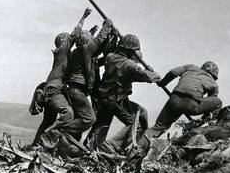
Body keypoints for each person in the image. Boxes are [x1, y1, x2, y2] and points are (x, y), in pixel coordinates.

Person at [85, 34, 161, 149]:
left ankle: (90, 147)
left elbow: (126, 69)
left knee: (103, 124)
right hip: (116, 99)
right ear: (130, 51)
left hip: (105, 97)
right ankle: (112, 147)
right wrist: (152, 72)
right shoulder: (129, 65)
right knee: (136, 125)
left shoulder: (110, 57)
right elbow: (150, 77)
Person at [29, 8, 92, 145]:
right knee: (68, 113)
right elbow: (75, 34)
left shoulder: (63, 55)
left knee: (48, 121)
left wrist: (90, 34)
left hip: (51, 89)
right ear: (64, 42)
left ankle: (35, 145)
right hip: (54, 90)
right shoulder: (63, 50)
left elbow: (80, 44)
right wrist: (83, 17)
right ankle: (48, 137)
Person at [45, 17, 114, 141]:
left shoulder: (80, 53)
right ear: (87, 41)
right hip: (76, 91)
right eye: (90, 39)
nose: (92, 40)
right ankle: (56, 131)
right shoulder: (84, 50)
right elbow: (98, 42)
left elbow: (101, 52)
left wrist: (112, 38)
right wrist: (107, 25)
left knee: (81, 118)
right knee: (89, 118)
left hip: (76, 90)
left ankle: (66, 142)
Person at [147, 61, 223, 138]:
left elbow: (173, 72)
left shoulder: (190, 67)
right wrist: (204, 118)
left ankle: (141, 140)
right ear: (214, 75)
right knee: (218, 102)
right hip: (192, 105)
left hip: (175, 100)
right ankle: (203, 123)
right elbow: (211, 102)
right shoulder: (214, 84)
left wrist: (162, 83)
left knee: (158, 127)